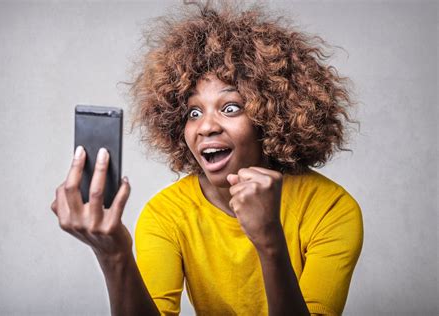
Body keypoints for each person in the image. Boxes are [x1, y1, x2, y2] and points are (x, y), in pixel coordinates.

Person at [51, 2, 363, 315]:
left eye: (230, 108)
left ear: (271, 117)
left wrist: (269, 241)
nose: (206, 127)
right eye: (193, 112)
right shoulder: (167, 214)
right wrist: (114, 256)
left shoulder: (331, 209)